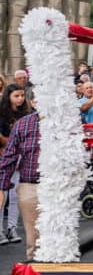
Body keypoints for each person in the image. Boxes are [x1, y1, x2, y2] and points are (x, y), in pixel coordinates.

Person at [0, 110, 40, 260]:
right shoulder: (23, 124)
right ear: (35, 102)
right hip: (31, 186)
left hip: (61, 189)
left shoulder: (67, 121)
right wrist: (2, 188)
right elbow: (9, 157)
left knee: (62, 239)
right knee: (34, 241)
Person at [0, 84, 33, 246]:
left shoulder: (26, 114)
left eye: (21, 96)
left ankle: (11, 228)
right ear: (9, 97)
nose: (20, 99)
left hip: (20, 160)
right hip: (4, 159)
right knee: (2, 195)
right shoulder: (2, 115)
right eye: (16, 96)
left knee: (14, 196)